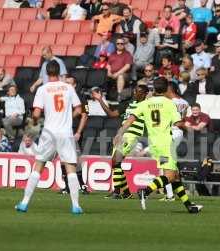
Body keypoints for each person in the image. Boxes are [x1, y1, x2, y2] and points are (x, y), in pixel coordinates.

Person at [114, 77, 203, 213]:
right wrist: (189, 127)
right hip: (166, 144)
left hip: (154, 144)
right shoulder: (169, 104)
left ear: (154, 89)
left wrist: (119, 133)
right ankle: (146, 191)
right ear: (166, 88)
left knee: (174, 175)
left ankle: (189, 206)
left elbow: (129, 120)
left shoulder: (144, 104)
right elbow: (178, 123)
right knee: (170, 176)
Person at [15, 60, 83, 215]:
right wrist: (68, 118)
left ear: (46, 72)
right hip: (65, 132)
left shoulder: (43, 89)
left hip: (49, 132)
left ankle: (24, 203)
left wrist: (32, 128)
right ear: (59, 72)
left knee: (39, 165)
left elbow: (37, 114)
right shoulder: (68, 87)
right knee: (70, 167)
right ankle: (76, 205)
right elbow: (79, 109)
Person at [99, 85, 149, 199]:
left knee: (116, 161)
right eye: (135, 91)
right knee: (115, 163)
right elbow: (113, 115)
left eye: (138, 92)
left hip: (132, 135)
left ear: (145, 94)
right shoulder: (130, 104)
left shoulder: (146, 105)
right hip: (123, 135)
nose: (135, 93)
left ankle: (117, 192)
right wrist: (100, 99)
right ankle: (126, 192)